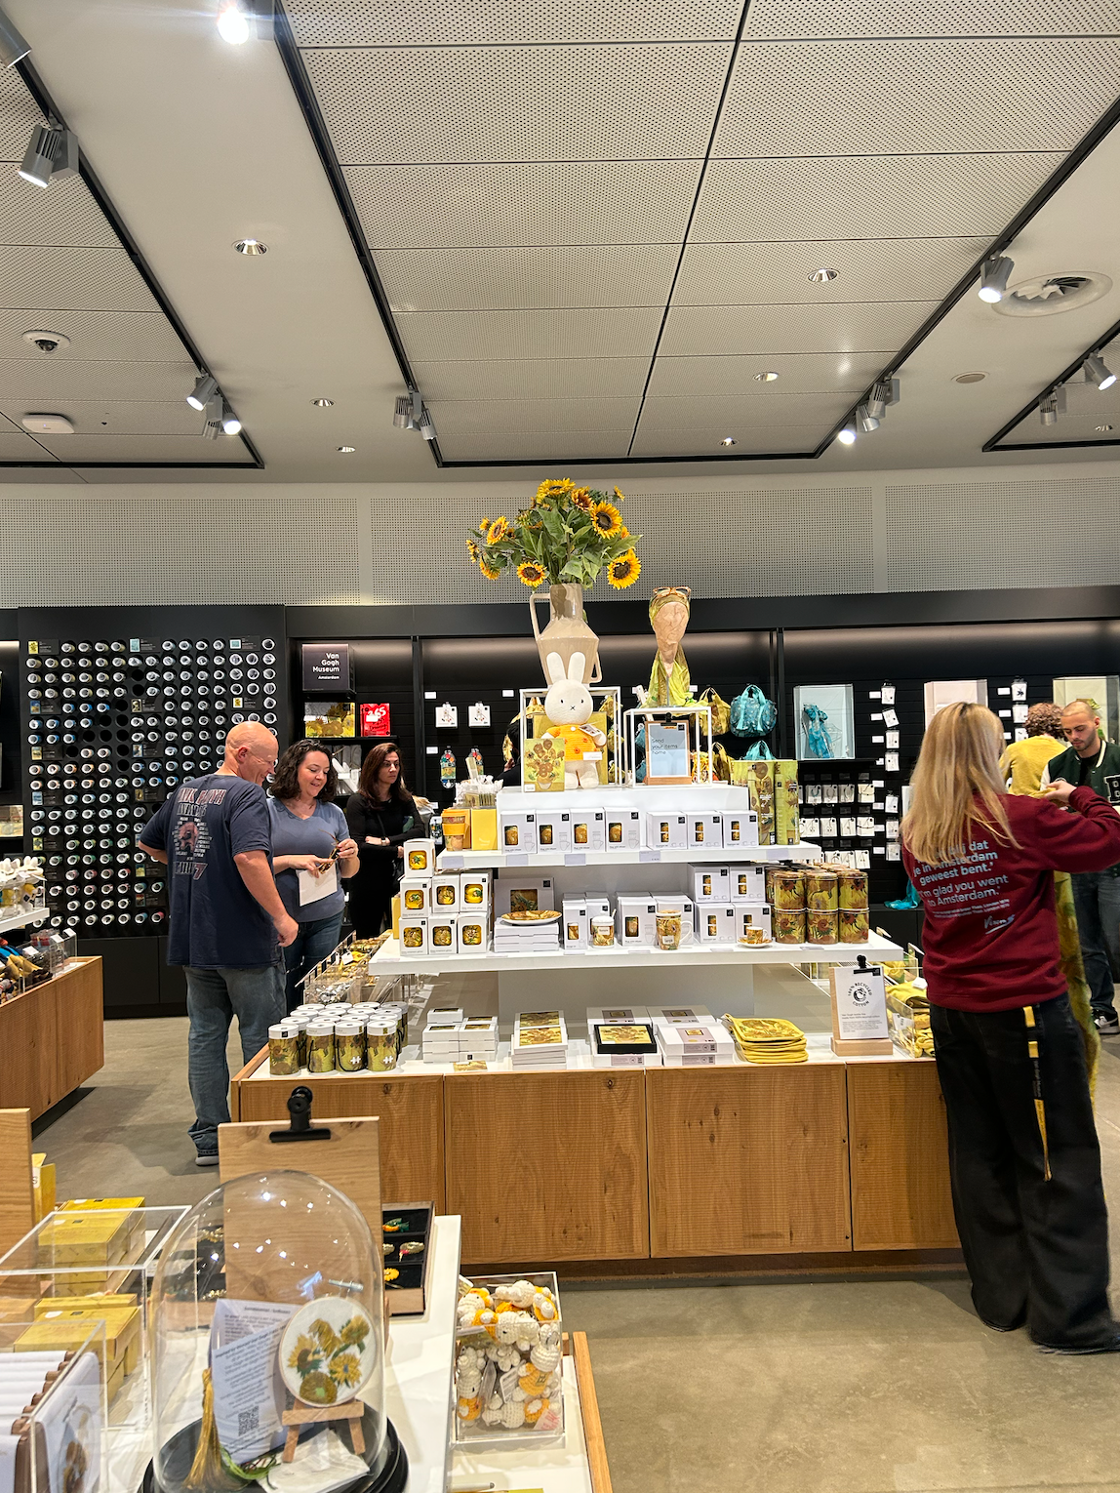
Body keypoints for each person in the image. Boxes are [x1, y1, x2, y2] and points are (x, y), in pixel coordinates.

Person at [901, 702, 1120, 1352]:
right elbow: (1108, 840)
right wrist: (1078, 791)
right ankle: (1070, 1315)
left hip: (952, 1011)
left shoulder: (919, 830)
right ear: (985, 753)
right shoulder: (1021, 819)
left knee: (980, 1150)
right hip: (1023, 1010)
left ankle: (1004, 1298)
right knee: (1056, 1156)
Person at [139, 722, 297, 1167]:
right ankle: (261, 1131)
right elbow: (249, 857)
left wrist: (197, 863)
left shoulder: (187, 792)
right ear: (242, 753)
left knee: (204, 1037)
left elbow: (150, 842)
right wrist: (280, 915)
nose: (269, 773)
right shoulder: (246, 796)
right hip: (242, 939)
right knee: (261, 1036)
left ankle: (210, 1138)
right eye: (267, 763)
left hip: (194, 938)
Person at [1040, 699, 1120, 1036]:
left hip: (1115, 866)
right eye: (1068, 731)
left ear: (1097, 723)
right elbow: (1047, 814)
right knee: (1087, 942)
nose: (1074, 736)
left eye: (1080, 729)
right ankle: (1103, 1008)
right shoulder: (1056, 764)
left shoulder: (1117, 759)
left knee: (1116, 939)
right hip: (1077, 866)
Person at [268, 740, 360, 1011]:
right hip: (282, 917)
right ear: (293, 769)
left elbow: (349, 872)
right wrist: (289, 861)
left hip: (326, 916)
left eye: (325, 771)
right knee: (282, 992)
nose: (320, 777)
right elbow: (251, 865)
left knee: (321, 991)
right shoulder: (267, 811)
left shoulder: (332, 813)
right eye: (313, 769)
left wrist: (352, 854)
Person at [344, 742, 423, 937]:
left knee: (403, 936)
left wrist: (386, 841)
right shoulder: (358, 801)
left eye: (396, 764)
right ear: (374, 767)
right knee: (367, 939)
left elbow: (420, 830)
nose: (393, 769)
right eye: (387, 764)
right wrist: (397, 850)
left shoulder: (402, 798)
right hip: (366, 882)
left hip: (396, 879)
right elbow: (360, 846)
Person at [998, 702, 1063, 795]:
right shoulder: (1064, 752)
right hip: (1051, 806)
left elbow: (996, 781)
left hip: (1020, 806)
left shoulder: (1015, 749)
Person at [647, 586, 692, 706]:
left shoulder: (684, 666)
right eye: (668, 615)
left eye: (681, 615)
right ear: (654, 622)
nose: (675, 622)